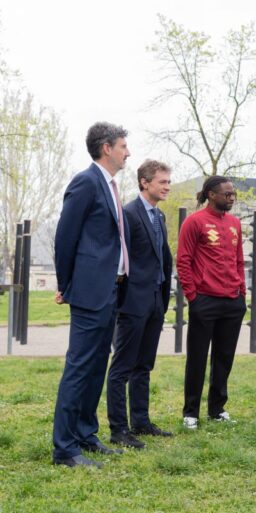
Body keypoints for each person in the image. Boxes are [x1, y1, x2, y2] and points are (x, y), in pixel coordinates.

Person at [52, 122, 131, 468]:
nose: (128, 152)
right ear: (106, 148)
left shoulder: (110, 185)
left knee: (97, 366)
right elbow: (65, 236)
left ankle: (86, 434)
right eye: (123, 146)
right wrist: (65, 284)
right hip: (89, 291)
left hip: (111, 290)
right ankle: (65, 448)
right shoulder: (86, 182)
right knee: (80, 368)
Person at [107, 160, 174, 449]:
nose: (167, 186)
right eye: (162, 181)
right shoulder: (128, 214)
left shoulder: (159, 216)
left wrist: (162, 297)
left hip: (156, 300)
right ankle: (119, 430)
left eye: (168, 181)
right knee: (121, 368)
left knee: (144, 365)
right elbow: (119, 260)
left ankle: (141, 423)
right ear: (145, 182)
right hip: (132, 303)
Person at [177, 176, 247, 429]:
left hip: (232, 301)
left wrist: (241, 292)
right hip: (204, 300)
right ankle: (191, 413)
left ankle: (217, 409)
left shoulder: (235, 223)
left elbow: (239, 260)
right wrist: (193, 296)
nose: (232, 198)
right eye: (227, 194)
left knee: (224, 358)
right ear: (211, 195)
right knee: (197, 358)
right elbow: (183, 261)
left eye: (233, 194)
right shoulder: (194, 222)